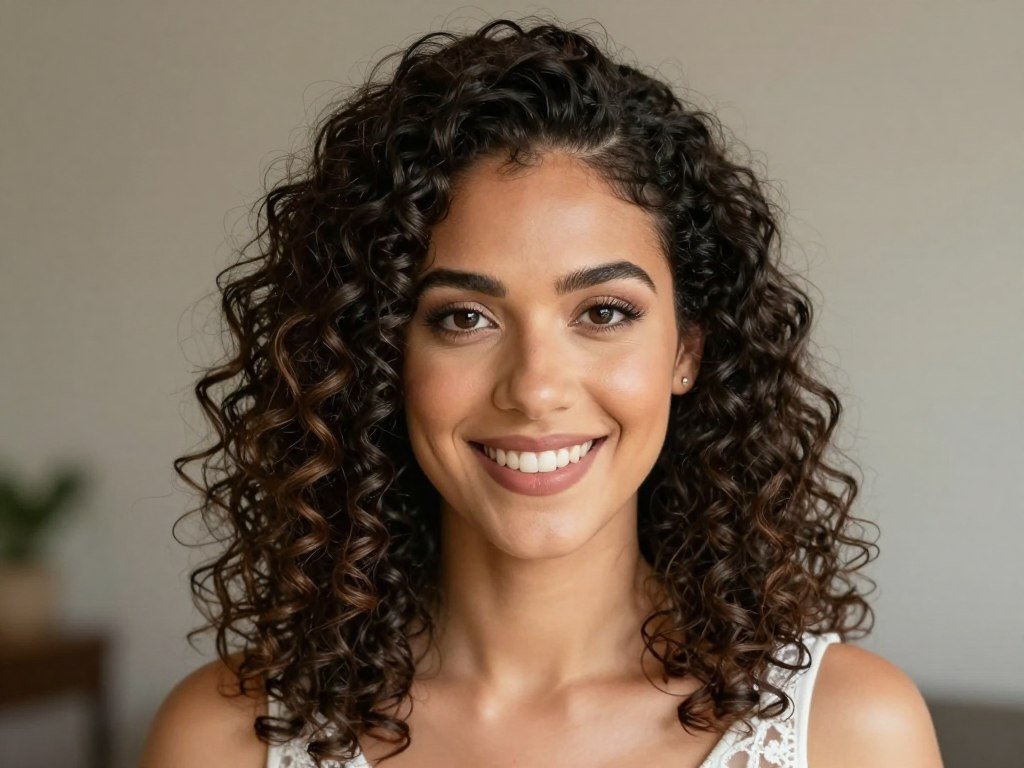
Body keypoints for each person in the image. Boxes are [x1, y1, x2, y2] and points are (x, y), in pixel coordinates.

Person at [141, 16, 944, 768]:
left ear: (687, 351)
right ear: (379, 354)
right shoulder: (224, 739)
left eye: (603, 312)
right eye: (464, 317)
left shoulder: (851, 732)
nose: (535, 389)